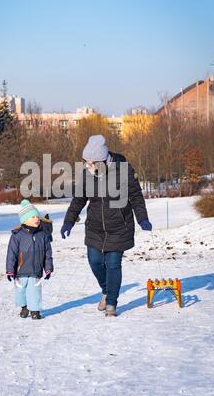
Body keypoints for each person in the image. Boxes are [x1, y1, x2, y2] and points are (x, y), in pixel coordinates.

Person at [61, 134, 152, 317]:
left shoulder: (123, 170)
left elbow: (135, 196)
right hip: (95, 227)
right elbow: (79, 199)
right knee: (95, 262)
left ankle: (111, 302)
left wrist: (142, 218)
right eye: (86, 162)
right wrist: (69, 221)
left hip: (119, 226)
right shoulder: (86, 174)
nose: (88, 165)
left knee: (113, 264)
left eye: (91, 162)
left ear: (103, 160)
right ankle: (106, 289)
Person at [6, 199, 54, 320]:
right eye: (32, 217)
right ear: (25, 220)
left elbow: (48, 253)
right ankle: (24, 306)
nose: (37, 219)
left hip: (35, 269)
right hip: (20, 269)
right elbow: (11, 253)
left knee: (35, 290)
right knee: (20, 290)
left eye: (37, 216)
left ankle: (35, 310)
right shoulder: (17, 235)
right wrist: (10, 269)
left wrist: (48, 268)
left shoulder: (43, 235)